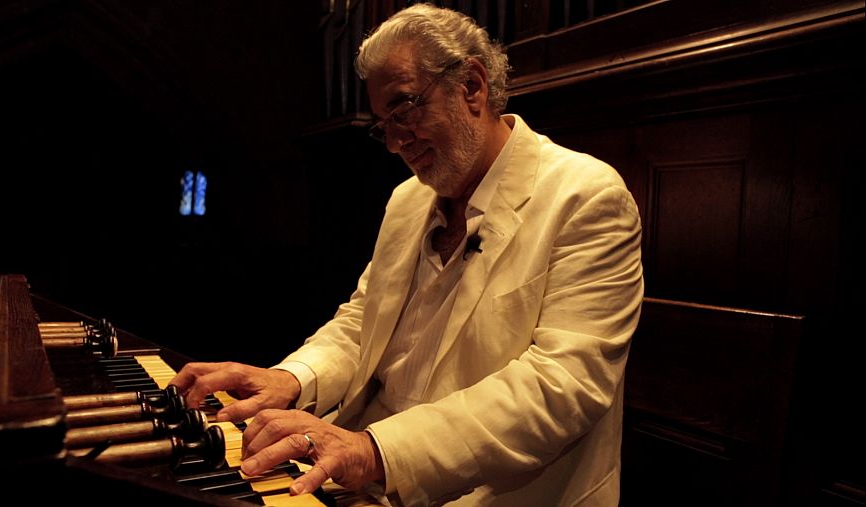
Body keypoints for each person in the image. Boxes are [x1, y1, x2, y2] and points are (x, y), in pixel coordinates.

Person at [171, 4, 643, 506]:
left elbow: (561, 387)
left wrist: (374, 450)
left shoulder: (586, 196)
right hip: (364, 475)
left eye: (404, 108)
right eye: (383, 124)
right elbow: (362, 322)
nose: (395, 142)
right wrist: (291, 378)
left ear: (472, 86)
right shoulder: (408, 199)